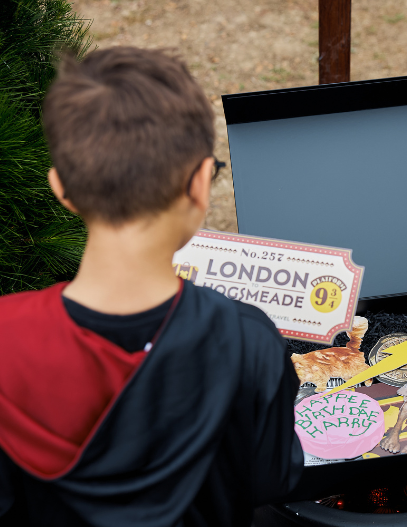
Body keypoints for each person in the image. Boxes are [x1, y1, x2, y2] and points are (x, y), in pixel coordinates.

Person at [0, 47, 303, 526]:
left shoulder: (6, 339)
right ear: (202, 184)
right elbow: (272, 481)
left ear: (61, 189)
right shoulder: (247, 338)